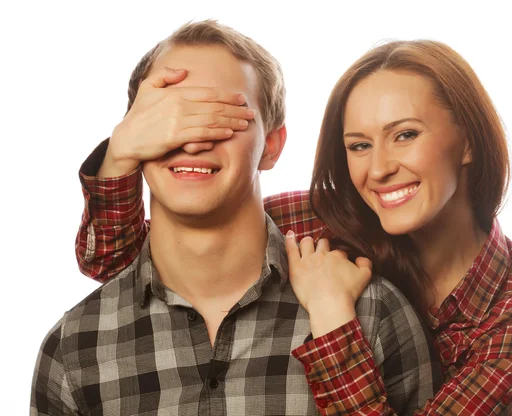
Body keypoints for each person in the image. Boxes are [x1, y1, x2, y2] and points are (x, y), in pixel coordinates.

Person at [71, 34, 512, 415]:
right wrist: (123, 152)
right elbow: (118, 267)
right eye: (359, 145)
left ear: (468, 142)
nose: (379, 169)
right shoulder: (315, 218)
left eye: (405, 135)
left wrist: (331, 314)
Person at [30, 21, 440, 416]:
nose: (193, 138)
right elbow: (106, 254)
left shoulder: (374, 315)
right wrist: (117, 157)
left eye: (223, 116)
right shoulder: (74, 347)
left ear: (272, 146)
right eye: (170, 117)